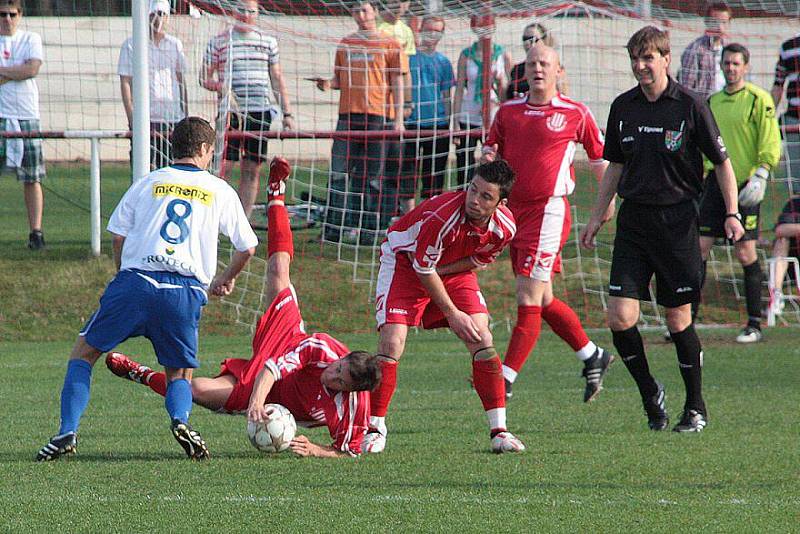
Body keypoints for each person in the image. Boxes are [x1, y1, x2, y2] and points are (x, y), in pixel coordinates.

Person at [105, 158, 382, 458]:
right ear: (341, 358)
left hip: (280, 397)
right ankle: (276, 193)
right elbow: (273, 367)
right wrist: (256, 402)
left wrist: (317, 449)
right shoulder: (322, 349)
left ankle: (139, 373)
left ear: (353, 391)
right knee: (278, 269)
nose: (333, 376)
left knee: (196, 390)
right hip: (283, 346)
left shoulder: (354, 407)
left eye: (340, 381)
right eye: (338, 368)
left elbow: (348, 452)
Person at [36, 117, 258, 461]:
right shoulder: (220, 190)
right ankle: (181, 421)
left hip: (136, 281)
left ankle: (67, 431)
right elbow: (248, 247)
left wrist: (123, 276)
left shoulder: (148, 182)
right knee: (179, 373)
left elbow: (118, 234)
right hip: (184, 291)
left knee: (83, 355)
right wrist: (225, 278)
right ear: (203, 150)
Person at [580, 26, 744, 433]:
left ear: (666, 59)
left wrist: (732, 212)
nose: (640, 65)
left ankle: (695, 406)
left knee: (677, 319)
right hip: (634, 223)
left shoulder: (691, 105)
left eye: (648, 57)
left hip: (678, 224)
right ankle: (650, 392)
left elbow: (721, 163)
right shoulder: (623, 107)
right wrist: (598, 213)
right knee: (619, 316)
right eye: (635, 58)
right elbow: (614, 165)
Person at [363, 159, 525, 454]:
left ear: (501, 203)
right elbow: (423, 269)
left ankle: (499, 431)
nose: (474, 199)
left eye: (486, 196)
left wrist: (448, 278)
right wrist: (452, 314)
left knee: (483, 338)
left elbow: (478, 260)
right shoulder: (443, 217)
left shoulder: (505, 228)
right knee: (392, 341)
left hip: (448, 269)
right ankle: (374, 427)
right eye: (472, 189)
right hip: (404, 263)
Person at [483, 43, 615, 402]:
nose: (538, 68)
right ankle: (592, 355)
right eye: (532, 63)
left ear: (559, 70)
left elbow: (600, 158)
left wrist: (608, 201)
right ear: (524, 71)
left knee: (527, 297)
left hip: (548, 213)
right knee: (543, 299)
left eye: (545, 63)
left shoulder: (574, 112)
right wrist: (488, 156)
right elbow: (491, 149)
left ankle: (504, 379)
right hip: (512, 214)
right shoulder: (508, 111)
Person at [698, 43, 781, 343]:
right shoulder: (712, 102)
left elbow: (771, 140)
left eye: (736, 64)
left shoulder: (759, 100)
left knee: (745, 251)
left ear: (746, 67)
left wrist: (762, 172)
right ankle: (684, 321)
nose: (731, 68)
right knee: (700, 247)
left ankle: (754, 324)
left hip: (746, 186)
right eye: (727, 63)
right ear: (720, 66)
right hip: (714, 185)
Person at [313, 1, 407, 244]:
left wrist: (398, 118)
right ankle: (335, 228)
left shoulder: (390, 43)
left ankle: (370, 230)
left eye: (364, 10)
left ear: (375, 12)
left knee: (373, 176)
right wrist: (327, 84)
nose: (360, 15)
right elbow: (339, 79)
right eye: (355, 11)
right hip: (348, 116)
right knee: (339, 173)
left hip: (379, 117)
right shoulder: (346, 43)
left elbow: (397, 82)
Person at [201, 0, 295, 217]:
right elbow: (203, 77)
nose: (246, 15)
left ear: (257, 12)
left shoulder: (268, 42)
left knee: (252, 168)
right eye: (242, 10)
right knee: (224, 166)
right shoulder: (220, 42)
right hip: (230, 112)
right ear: (234, 12)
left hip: (259, 111)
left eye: (251, 11)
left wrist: (287, 113)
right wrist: (221, 87)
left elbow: (276, 78)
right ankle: (214, 216)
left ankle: (244, 218)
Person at [118, 0, 188, 170]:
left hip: (171, 118)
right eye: (153, 14)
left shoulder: (175, 45)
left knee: (171, 169)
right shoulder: (131, 44)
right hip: (145, 118)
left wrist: (185, 114)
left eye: (162, 14)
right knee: (144, 169)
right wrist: (132, 118)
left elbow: (181, 81)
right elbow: (125, 82)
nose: (158, 19)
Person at [0, 0, 46, 249]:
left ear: (20, 15)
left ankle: (36, 233)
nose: (7, 19)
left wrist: (5, 73)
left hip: (27, 115)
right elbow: (23, 69)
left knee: (32, 177)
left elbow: (32, 68)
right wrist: (16, 71)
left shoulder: (31, 38)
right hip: (0, 116)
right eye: (2, 14)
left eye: (11, 14)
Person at [452, 14, 512, 187]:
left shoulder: (502, 55)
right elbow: (459, 90)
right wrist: (455, 122)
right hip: (468, 116)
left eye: (488, 25)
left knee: (495, 164)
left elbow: (508, 95)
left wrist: (501, 84)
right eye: (480, 26)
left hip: (493, 118)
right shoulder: (466, 55)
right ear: (473, 28)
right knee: (464, 166)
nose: (484, 30)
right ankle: (463, 201)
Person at [401, 16, 454, 206]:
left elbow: (446, 95)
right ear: (421, 29)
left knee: (434, 176)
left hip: (437, 125)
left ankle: (428, 216)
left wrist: (450, 124)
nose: (432, 35)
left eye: (437, 31)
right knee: (407, 174)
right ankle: (406, 218)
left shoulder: (444, 62)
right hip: (411, 124)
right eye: (429, 29)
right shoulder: (408, 58)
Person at [678, 1, 731, 101]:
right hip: (704, 105)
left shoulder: (731, 49)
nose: (719, 27)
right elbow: (686, 86)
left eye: (724, 22)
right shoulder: (695, 49)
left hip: (727, 104)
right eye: (715, 22)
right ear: (707, 22)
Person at [506, 22, 568, 100]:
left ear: (544, 40)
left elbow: (563, 97)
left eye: (533, 39)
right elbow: (507, 99)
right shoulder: (517, 69)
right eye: (525, 39)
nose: (528, 43)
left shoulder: (554, 67)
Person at [771, 31, 800, 196]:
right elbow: (778, 85)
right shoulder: (789, 47)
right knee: (796, 184)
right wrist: (767, 118)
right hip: (794, 122)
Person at [770, 198, 800, 311]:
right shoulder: (795, 204)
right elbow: (780, 230)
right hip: (792, 263)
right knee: (781, 240)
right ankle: (776, 294)